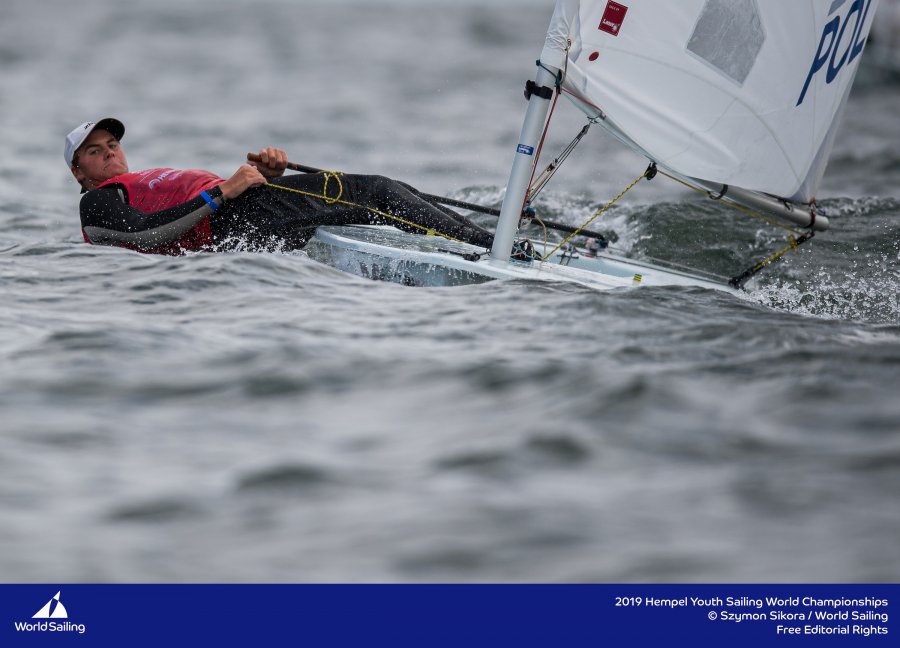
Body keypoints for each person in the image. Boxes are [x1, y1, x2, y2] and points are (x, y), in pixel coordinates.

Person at [66, 118, 496, 255]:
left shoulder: (137, 179)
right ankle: (496, 250)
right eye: (94, 151)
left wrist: (265, 176)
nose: (109, 153)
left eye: (113, 144)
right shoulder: (97, 203)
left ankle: (489, 241)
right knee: (379, 193)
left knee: (393, 190)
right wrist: (222, 193)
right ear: (78, 172)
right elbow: (146, 231)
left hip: (248, 206)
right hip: (233, 223)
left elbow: (196, 199)